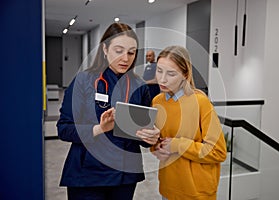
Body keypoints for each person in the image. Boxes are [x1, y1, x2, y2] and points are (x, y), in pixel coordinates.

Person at [57, 22, 160, 200]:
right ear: (105, 49)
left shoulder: (140, 87)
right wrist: (99, 128)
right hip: (87, 175)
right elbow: (64, 129)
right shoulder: (83, 81)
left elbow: (142, 136)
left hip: (124, 175)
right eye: (118, 50)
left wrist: (152, 137)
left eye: (131, 52)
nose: (126, 58)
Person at [151, 46, 227, 200]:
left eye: (171, 73)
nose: (162, 79)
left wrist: (177, 145)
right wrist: (156, 148)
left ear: (185, 75)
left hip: (196, 193)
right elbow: (158, 140)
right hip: (168, 188)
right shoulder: (157, 101)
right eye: (159, 71)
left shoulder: (200, 102)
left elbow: (218, 152)